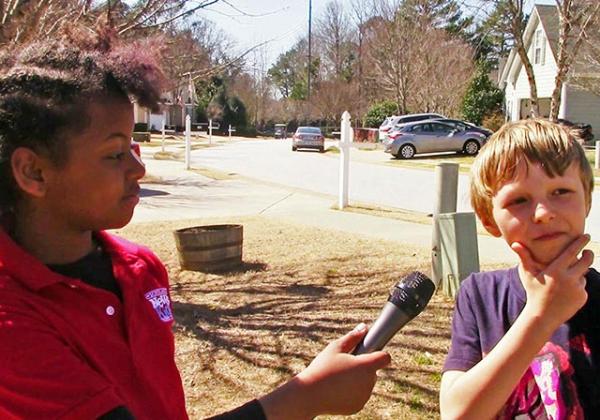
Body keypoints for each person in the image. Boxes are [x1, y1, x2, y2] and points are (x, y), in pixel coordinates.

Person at [0, 30, 391, 419]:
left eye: (134, 147)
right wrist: (306, 395)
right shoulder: (10, 316)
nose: (139, 168)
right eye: (116, 154)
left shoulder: (141, 270)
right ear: (33, 171)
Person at [440, 118, 600, 419]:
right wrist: (541, 315)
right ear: (489, 220)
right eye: (519, 200)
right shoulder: (480, 296)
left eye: (560, 192)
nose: (543, 213)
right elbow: (456, 414)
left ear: (587, 200)